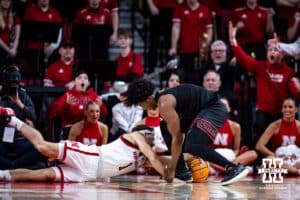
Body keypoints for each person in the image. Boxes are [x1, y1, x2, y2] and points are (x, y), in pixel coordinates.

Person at [125, 79, 249, 185]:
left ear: (146, 100)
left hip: (213, 108)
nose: (142, 108)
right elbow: (178, 133)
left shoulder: (164, 104)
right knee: (164, 126)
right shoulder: (162, 97)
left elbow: (178, 139)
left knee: (193, 145)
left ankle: (234, 168)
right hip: (197, 112)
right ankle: (182, 172)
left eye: (140, 105)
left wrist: (171, 169)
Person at [0, 107, 168, 182]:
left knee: (44, 175)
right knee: (43, 147)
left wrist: (184, 165)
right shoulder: (137, 135)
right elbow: (156, 158)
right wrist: (172, 175)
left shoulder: (143, 157)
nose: (155, 138)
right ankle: (12, 119)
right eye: (153, 135)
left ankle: (3, 174)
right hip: (90, 156)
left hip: (89, 174)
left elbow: (167, 159)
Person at [229, 21, 300, 149]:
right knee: (260, 135)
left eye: (276, 50)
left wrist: (296, 87)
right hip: (263, 112)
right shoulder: (260, 67)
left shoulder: (288, 72)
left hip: (282, 113)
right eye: (270, 50)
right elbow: (243, 58)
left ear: (282, 55)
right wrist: (233, 40)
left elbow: (295, 93)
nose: (272, 52)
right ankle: (259, 162)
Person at [0, 65, 45, 169]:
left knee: (41, 149)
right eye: (10, 84)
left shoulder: (23, 96)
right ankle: (16, 167)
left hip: (20, 139)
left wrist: (18, 102)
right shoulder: (1, 94)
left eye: (15, 84)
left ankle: (12, 166)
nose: (12, 87)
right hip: (2, 139)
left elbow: (34, 117)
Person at [47, 70, 107, 141]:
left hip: (89, 127)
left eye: (85, 78)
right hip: (70, 127)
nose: (82, 80)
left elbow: (104, 114)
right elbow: (58, 113)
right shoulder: (68, 95)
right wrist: (66, 105)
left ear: (88, 83)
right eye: (79, 78)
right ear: (74, 82)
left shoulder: (94, 95)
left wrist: (100, 107)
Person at [168, 0, 213, 84]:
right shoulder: (180, 8)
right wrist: (173, 47)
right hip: (185, 49)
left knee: (201, 76)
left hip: (201, 51)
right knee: (186, 76)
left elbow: (209, 29)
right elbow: (176, 27)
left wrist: (207, 45)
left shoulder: (205, 10)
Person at [209, 97, 257, 174]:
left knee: (253, 154)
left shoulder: (235, 126)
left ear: (229, 109)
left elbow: (236, 149)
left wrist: (231, 160)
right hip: (213, 159)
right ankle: (232, 170)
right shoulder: (207, 124)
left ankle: (228, 168)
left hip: (229, 157)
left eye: (224, 105)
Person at [256, 98, 300, 175]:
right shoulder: (275, 125)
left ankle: (287, 171)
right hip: (280, 160)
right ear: (281, 109)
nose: (287, 109)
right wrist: (274, 155)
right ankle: (295, 171)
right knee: (269, 160)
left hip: (296, 160)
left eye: (290, 107)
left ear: (296, 110)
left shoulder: (299, 126)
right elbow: (259, 146)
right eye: (284, 107)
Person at [22, 0, 63, 84]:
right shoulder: (30, 11)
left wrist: (52, 47)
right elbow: (25, 29)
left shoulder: (55, 13)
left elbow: (60, 31)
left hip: (50, 49)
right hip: (33, 48)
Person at [0, 0, 21, 65]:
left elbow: (17, 37)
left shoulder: (15, 17)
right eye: (4, 0)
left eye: (8, 0)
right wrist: (9, 51)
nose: (6, 2)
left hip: (10, 48)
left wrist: (14, 49)